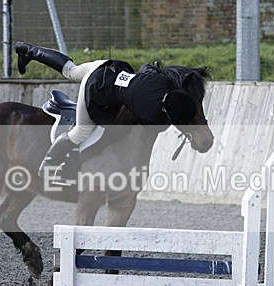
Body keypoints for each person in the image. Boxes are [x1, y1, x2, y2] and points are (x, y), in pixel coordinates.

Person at [14, 42, 207, 185]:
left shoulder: (161, 80)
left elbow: (147, 68)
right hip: (96, 87)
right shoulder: (149, 113)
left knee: (70, 70)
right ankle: (48, 167)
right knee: (81, 131)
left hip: (108, 66)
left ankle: (28, 51)